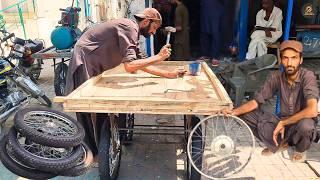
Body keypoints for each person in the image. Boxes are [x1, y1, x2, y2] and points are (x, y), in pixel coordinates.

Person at [65, 8, 186, 157]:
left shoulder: (132, 31)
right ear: (147, 21)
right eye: (154, 28)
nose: (154, 33)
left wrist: (167, 74)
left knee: (100, 110)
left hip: (94, 63)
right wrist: (159, 57)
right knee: (88, 108)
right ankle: (87, 153)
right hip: (85, 60)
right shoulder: (130, 27)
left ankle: (101, 149)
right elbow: (130, 66)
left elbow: (140, 63)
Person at [222, 40, 319, 162]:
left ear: (301, 60)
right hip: (283, 125)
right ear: (281, 60)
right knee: (246, 113)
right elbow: (257, 101)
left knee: (306, 125)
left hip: (300, 126)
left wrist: (283, 123)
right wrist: (234, 112)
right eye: (285, 58)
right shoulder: (276, 77)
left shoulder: (308, 76)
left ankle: (300, 149)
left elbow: (312, 111)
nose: (289, 63)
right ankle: (280, 144)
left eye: (294, 58)